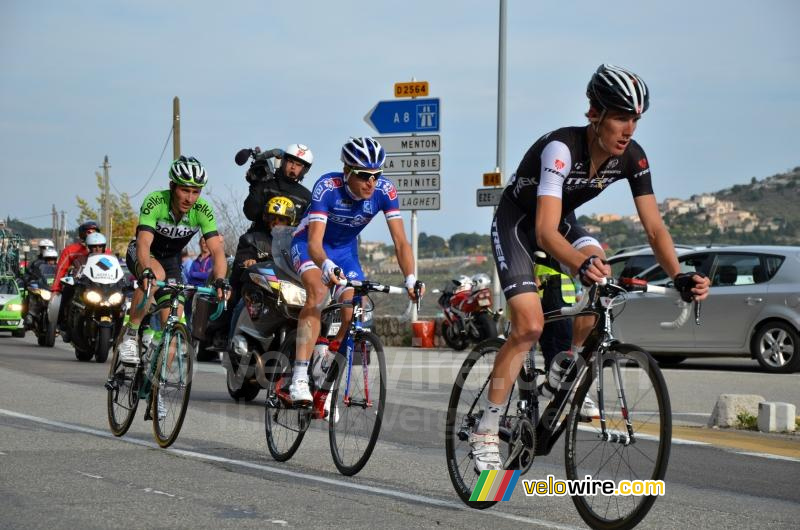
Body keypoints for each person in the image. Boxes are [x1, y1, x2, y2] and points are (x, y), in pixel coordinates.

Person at [470, 64, 711, 472]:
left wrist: (679, 275)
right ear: (594, 114)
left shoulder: (631, 157)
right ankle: (486, 429)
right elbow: (544, 231)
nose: (629, 129)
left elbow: (655, 228)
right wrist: (579, 263)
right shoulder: (561, 150)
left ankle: (563, 366)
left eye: (635, 119)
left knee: (601, 274)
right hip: (519, 223)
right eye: (620, 117)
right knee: (529, 326)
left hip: (560, 222)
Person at [287, 136, 424, 416]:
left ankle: (325, 370)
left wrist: (410, 278)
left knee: (353, 311)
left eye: (376, 175)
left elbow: (401, 242)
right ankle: (299, 377)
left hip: (345, 253)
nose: (371, 183)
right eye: (363, 175)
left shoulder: (385, 191)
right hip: (310, 246)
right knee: (319, 293)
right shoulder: (328, 187)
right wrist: (325, 266)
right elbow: (314, 243)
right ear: (347, 171)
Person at [117, 156, 230, 365]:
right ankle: (130, 335)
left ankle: (152, 367)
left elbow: (217, 250)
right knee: (155, 275)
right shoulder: (156, 201)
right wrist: (146, 270)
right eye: (185, 190)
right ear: (172, 187)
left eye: (195, 192)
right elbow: (144, 242)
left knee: (173, 330)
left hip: (171, 261)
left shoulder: (202, 210)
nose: (190, 198)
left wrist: (221, 279)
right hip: (144, 253)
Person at [242, 143, 314, 234]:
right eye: (290, 162)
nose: (293, 167)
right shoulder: (266, 185)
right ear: (283, 161)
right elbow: (250, 214)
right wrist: (255, 186)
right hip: (258, 238)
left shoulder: (307, 197)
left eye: (298, 165)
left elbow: (308, 229)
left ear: (305, 169)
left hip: (288, 241)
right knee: (247, 240)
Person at [50, 220, 100, 340]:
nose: (92, 235)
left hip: (98, 285)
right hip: (79, 283)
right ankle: (62, 325)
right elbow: (61, 270)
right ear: (82, 234)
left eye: (95, 232)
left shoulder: (104, 250)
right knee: (66, 293)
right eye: (89, 232)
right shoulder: (71, 250)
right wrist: (56, 289)